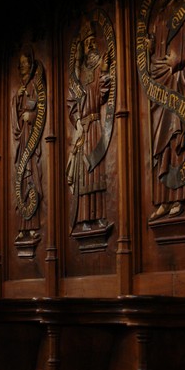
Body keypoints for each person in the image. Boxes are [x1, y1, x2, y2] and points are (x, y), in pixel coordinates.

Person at [145, 0, 185, 221]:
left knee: (176, 137)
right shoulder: (158, 15)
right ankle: (164, 200)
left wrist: (177, 60)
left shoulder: (178, 10)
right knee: (160, 140)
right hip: (158, 80)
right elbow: (155, 44)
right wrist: (149, 47)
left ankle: (179, 198)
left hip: (173, 80)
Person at [67, 18, 112, 230]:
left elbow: (102, 95)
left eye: (93, 41)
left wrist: (104, 71)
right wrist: (77, 123)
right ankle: (85, 218)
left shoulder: (97, 68)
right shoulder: (79, 75)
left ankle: (99, 215)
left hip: (94, 125)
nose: (92, 45)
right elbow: (71, 101)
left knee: (96, 169)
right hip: (83, 128)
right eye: (88, 43)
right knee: (84, 174)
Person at [13, 47, 44, 240]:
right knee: (22, 178)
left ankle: (32, 226)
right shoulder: (20, 90)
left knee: (32, 176)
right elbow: (14, 118)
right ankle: (22, 227)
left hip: (32, 138)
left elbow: (41, 108)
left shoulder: (35, 85)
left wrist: (30, 116)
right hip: (22, 140)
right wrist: (17, 98)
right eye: (21, 64)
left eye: (25, 63)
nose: (23, 67)